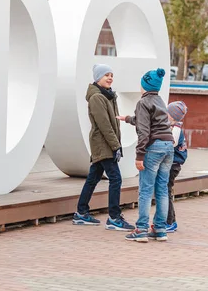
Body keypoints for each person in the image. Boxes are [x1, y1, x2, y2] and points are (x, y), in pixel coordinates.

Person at [72, 64, 135, 231]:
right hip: (103, 144)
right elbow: (105, 125)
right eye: (106, 75)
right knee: (116, 178)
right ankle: (114, 218)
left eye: (111, 75)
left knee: (93, 177)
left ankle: (81, 213)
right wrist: (116, 146)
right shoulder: (97, 98)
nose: (110, 77)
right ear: (97, 78)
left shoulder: (107, 96)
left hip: (105, 143)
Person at [117, 68, 174, 242]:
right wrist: (128, 118)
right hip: (168, 146)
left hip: (154, 148)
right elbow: (148, 121)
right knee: (162, 190)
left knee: (145, 190)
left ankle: (141, 229)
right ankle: (160, 229)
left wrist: (139, 156)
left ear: (145, 85)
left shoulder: (143, 103)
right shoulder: (159, 101)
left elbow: (144, 131)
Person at [166, 101, 189, 233]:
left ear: (173, 116)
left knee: (165, 191)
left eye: (167, 113)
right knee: (165, 191)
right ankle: (169, 220)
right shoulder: (174, 126)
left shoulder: (176, 129)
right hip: (174, 164)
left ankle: (170, 221)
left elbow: (172, 143)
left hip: (172, 165)